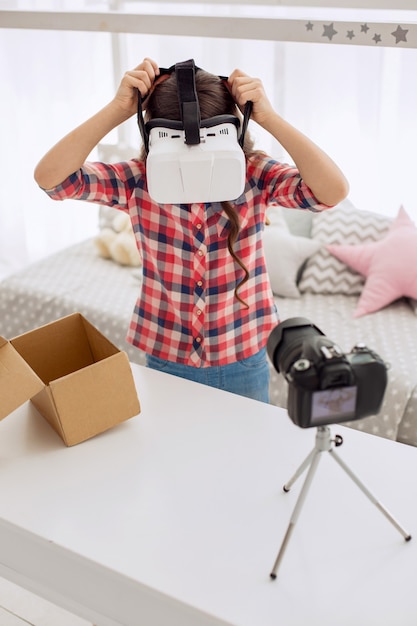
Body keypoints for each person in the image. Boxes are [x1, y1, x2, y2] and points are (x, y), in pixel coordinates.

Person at [34, 57, 349, 403]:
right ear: (153, 136)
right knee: (174, 452)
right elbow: (53, 179)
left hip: (242, 352)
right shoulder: (138, 179)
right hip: (167, 353)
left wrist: (269, 118)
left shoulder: (255, 175)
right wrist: (118, 109)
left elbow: (330, 191)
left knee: (242, 453)